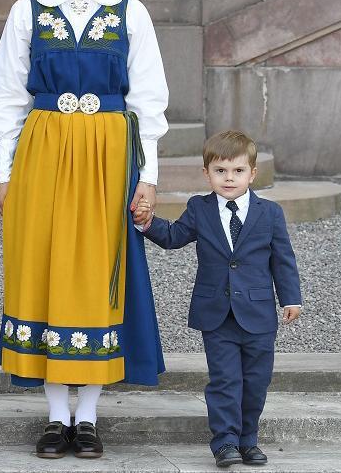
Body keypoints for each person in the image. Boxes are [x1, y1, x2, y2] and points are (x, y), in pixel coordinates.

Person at [0, 0, 169, 458]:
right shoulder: (30, 10)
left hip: (109, 154)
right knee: (41, 269)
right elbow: (8, 97)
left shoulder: (128, 10)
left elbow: (148, 101)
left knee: (94, 273)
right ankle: (52, 415)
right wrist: (4, 169)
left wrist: (149, 175)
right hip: (42, 151)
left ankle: (86, 416)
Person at [136, 130, 302, 468]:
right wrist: (147, 222)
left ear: (252, 174)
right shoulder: (200, 208)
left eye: (238, 171)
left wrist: (291, 298)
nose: (229, 178)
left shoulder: (269, 213)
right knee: (226, 379)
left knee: (256, 381)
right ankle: (225, 442)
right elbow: (173, 237)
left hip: (258, 314)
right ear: (206, 173)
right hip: (217, 313)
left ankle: (248, 440)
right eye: (220, 171)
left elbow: (283, 259)